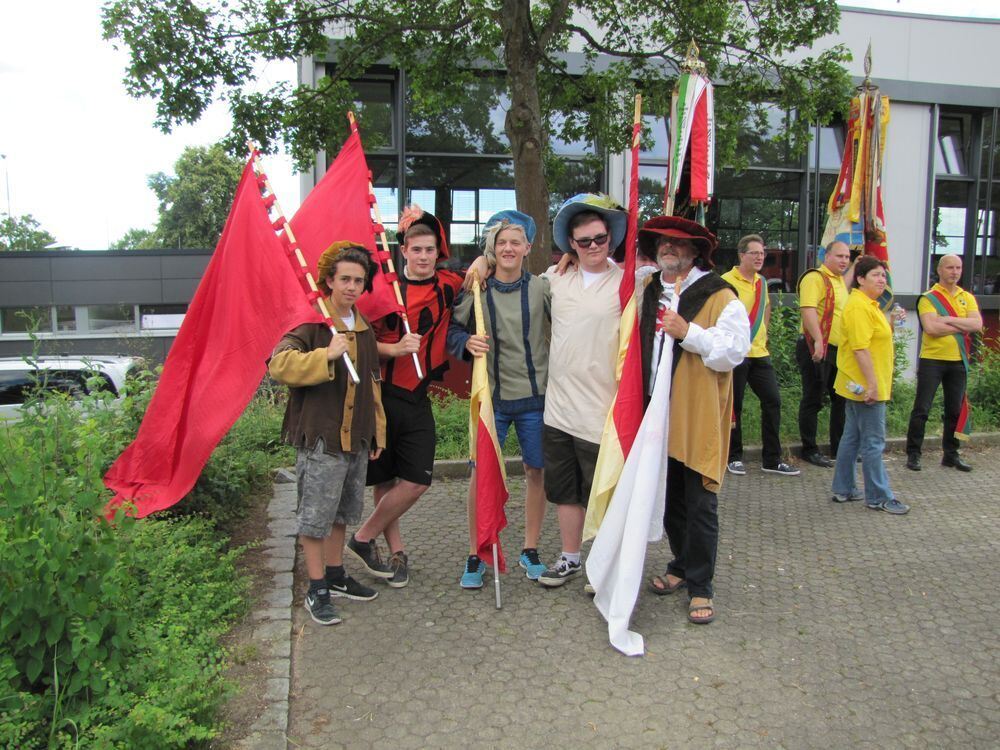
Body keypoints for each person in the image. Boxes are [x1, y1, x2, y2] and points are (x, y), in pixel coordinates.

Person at [268, 243, 387, 625]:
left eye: (358, 280)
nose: (352, 287)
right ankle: (316, 587)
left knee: (341, 514)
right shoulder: (311, 323)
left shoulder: (363, 327)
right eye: (345, 279)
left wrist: (376, 433)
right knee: (314, 518)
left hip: (356, 439)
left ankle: (335, 574)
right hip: (321, 438)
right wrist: (326, 355)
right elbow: (279, 364)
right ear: (329, 281)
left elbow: (371, 384)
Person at [641, 216, 750, 625]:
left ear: (694, 252)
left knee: (700, 501)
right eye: (663, 243)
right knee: (670, 498)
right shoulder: (651, 287)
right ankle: (682, 564)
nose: (668, 248)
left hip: (696, 410)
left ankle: (702, 586)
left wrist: (688, 332)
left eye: (678, 243)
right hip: (655, 409)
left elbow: (733, 352)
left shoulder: (720, 296)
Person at [347, 207, 464, 588]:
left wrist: (563, 258)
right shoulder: (382, 290)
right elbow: (355, 343)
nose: (425, 256)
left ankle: (362, 538)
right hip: (381, 396)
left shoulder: (448, 284)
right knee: (387, 479)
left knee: (416, 480)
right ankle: (396, 552)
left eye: (430, 249)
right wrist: (393, 349)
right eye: (417, 249)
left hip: (418, 396)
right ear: (404, 251)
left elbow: (485, 267)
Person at [448, 210, 551, 587]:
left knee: (535, 472)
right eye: (500, 242)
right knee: (480, 474)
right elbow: (453, 331)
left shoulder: (542, 288)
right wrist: (466, 342)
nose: (508, 248)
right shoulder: (477, 287)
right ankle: (476, 552)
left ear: (527, 247)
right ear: (492, 248)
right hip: (491, 400)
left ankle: (530, 548)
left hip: (534, 398)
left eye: (515, 242)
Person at [538, 194, 627, 587]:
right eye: (584, 241)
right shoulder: (553, 279)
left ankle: (606, 565)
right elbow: (508, 280)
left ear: (611, 238)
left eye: (600, 239)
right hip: (557, 410)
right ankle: (571, 557)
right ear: (571, 245)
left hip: (601, 411)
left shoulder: (629, 282)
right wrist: (482, 260)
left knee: (602, 493)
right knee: (565, 491)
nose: (593, 247)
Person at [830, 255, 909, 515]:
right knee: (873, 442)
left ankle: (844, 488)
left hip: (862, 385)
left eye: (883, 275)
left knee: (852, 438)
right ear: (860, 279)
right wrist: (873, 386)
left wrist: (893, 323)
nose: (882, 279)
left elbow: (873, 340)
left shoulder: (869, 305)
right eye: (875, 275)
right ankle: (878, 496)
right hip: (866, 387)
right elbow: (860, 349)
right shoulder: (858, 307)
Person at [720, 235, 799, 476]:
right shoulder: (725, 282)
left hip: (759, 353)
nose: (760, 257)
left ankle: (772, 460)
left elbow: (765, 308)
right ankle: (733, 456)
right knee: (736, 406)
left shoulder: (762, 282)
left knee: (773, 401)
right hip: (736, 354)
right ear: (741, 255)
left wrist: (762, 336)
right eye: (754, 253)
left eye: (762, 253)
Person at [905, 254, 982, 472]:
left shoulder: (967, 296)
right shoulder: (928, 298)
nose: (955, 272)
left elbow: (976, 324)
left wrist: (947, 319)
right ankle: (913, 454)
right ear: (940, 270)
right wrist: (962, 324)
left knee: (954, 410)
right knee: (922, 408)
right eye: (950, 267)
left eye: (958, 267)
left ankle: (950, 455)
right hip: (932, 360)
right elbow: (931, 328)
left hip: (958, 361)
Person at [796, 241, 852, 467]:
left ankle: (839, 449)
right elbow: (807, 309)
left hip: (838, 350)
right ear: (825, 256)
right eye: (839, 256)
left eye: (847, 257)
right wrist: (819, 340)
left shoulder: (839, 281)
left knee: (841, 400)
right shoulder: (815, 278)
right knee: (814, 398)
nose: (844, 260)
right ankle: (809, 450)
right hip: (816, 347)